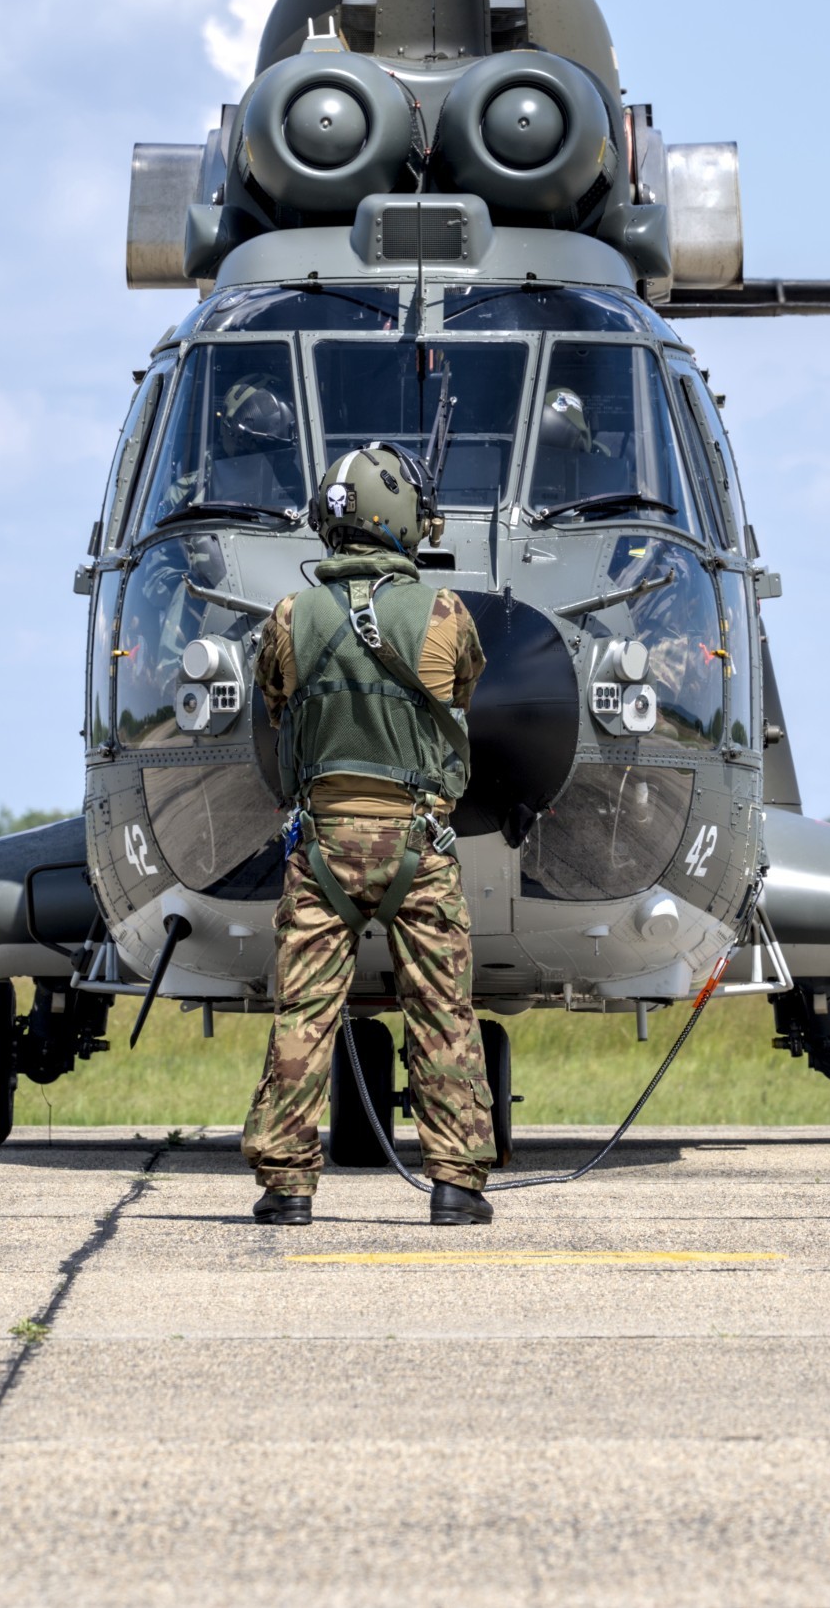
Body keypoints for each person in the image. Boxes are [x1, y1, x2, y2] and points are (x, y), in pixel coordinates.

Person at [242, 443, 495, 1226]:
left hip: (321, 846)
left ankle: (287, 1185)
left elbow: (276, 703)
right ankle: (455, 1183)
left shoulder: (289, 616)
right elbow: (464, 687)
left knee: (305, 1011)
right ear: (403, 524)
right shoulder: (447, 614)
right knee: (443, 1006)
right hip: (418, 843)